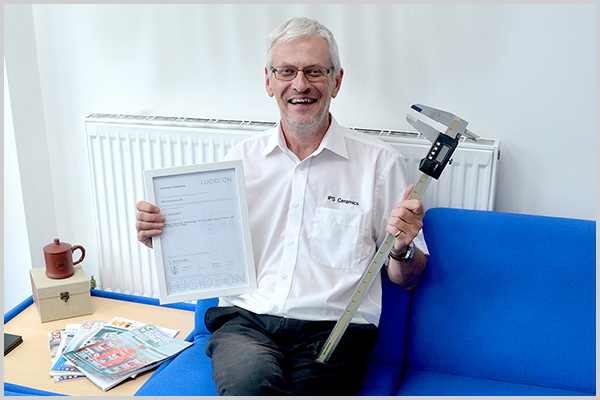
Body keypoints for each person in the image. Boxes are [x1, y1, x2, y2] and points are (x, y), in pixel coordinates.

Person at [136, 17, 428, 396]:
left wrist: (402, 250)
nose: (300, 84)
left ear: (336, 81)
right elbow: (207, 250)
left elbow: (409, 278)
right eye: (286, 71)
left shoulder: (380, 164)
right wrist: (164, 238)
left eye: (315, 71)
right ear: (269, 81)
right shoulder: (239, 160)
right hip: (246, 323)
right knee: (248, 386)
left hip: (335, 331)